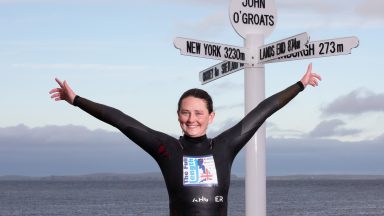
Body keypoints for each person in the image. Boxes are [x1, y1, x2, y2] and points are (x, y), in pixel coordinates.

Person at [49, 63, 321, 216]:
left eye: (198, 113)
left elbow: (263, 110)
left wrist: (299, 85)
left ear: (211, 116)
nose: (192, 119)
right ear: (178, 115)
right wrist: (76, 100)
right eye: (185, 112)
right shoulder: (167, 148)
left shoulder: (224, 147)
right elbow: (122, 121)